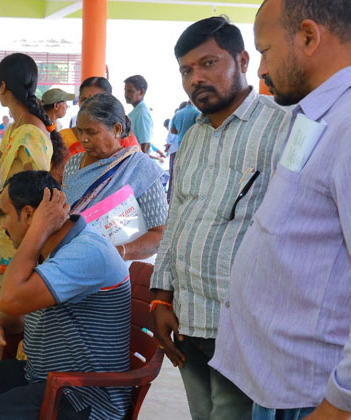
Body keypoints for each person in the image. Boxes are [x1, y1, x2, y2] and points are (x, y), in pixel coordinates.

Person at [209, 1, 351, 419]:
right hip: (281, 384)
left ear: (308, 36)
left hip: (317, 396)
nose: (260, 70)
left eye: (266, 51)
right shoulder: (312, 116)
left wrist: (340, 402)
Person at [149, 16, 291, 420]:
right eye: (186, 70)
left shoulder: (282, 128)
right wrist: (161, 295)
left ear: (242, 59)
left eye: (208, 63)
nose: (196, 78)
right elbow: (177, 218)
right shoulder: (191, 136)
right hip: (188, 320)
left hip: (243, 328)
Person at [0, 170, 131, 420]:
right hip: (42, 376)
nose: (4, 225)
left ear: (30, 214)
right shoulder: (56, 247)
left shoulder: (85, 252)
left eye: (7, 215)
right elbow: (20, 310)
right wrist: (0, 324)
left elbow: (10, 299)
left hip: (79, 395)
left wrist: (36, 231)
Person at [0, 53, 60, 364]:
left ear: (2, 85)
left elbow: (29, 197)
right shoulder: (17, 127)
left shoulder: (29, 132)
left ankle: (2, 374)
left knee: (10, 316)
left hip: (12, 237)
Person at [63, 93, 168, 262]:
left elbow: (160, 234)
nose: (84, 139)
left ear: (117, 130)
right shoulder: (74, 164)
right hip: (76, 261)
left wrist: (116, 253)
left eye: (91, 132)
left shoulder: (140, 168)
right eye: (80, 131)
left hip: (120, 269)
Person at [60, 77, 140, 160]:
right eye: (84, 99)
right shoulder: (63, 138)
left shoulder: (128, 143)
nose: (87, 105)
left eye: (96, 100)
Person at [166, 101, 200, 201]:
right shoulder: (197, 114)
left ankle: (175, 198)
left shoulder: (178, 114)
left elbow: (172, 131)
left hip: (180, 147)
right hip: (193, 147)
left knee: (178, 174)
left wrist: (181, 131)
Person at [124, 75, 154, 154]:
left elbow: (145, 145)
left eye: (130, 91)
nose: (126, 94)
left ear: (141, 92)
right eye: (125, 90)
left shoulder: (142, 113)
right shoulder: (137, 111)